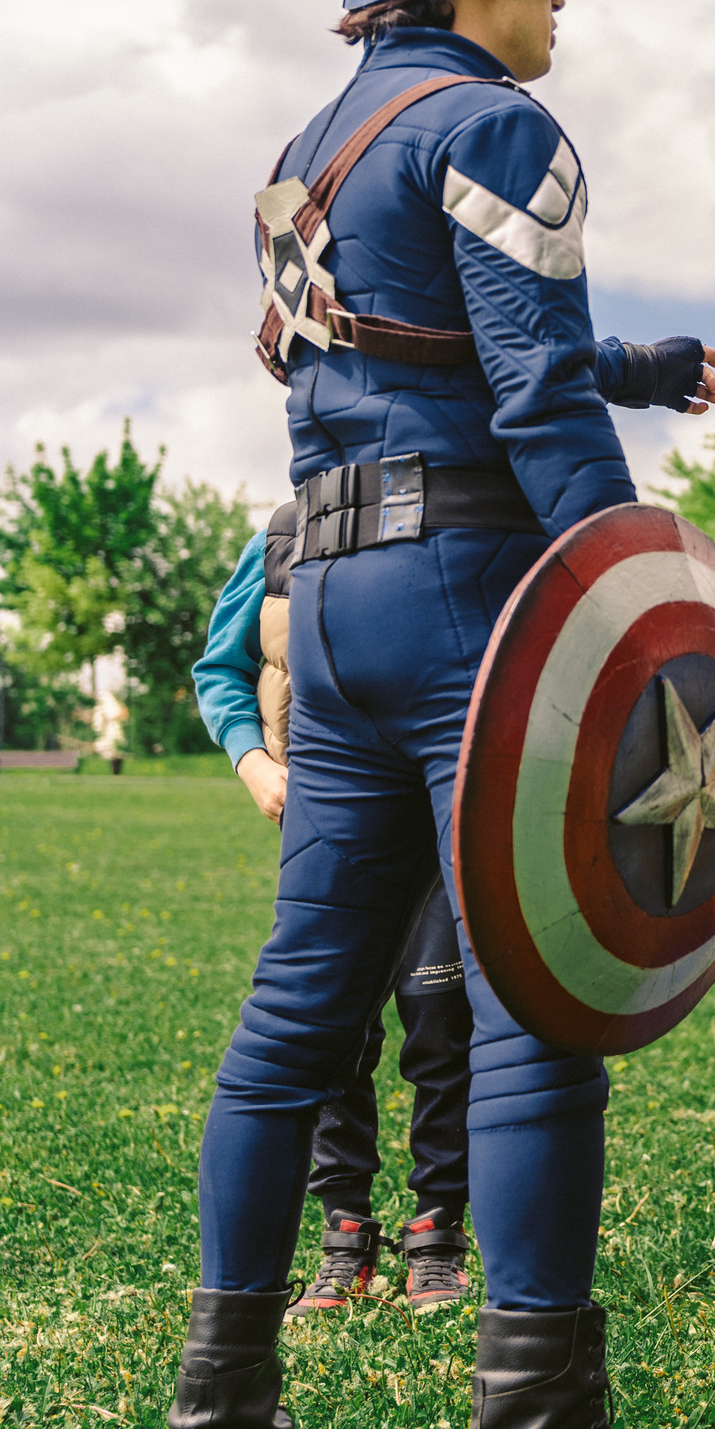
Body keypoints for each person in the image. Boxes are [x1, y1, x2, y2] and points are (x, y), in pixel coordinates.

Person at [170, 0, 715, 1429]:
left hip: (326, 599)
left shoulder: (312, 146)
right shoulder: (502, 120)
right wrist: (643, 629)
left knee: (295, 1014)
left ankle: (223, 1420)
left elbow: (422, 338)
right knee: (534, 1003)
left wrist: (638, 360)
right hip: (472, 589)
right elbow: (530, 397)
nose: (560, 8)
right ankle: (540, 1428)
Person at [189, 503, 475, 1318]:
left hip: (438, 833)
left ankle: (436, 1237)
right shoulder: (282, 538)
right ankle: (344, 1235)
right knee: (332, 1035)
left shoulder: (456, 508)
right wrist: (252, 760)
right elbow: (222, 666)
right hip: (327, 825)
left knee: (439, 1023)